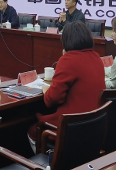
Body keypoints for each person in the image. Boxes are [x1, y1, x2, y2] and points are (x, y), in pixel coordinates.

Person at [27, 21, 105, 152]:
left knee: (32, 130)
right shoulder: (96, 57)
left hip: (72, 127)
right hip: (94, 125)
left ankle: (47, 161)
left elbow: (51, 100)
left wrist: (46, 90)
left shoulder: (69, 59)